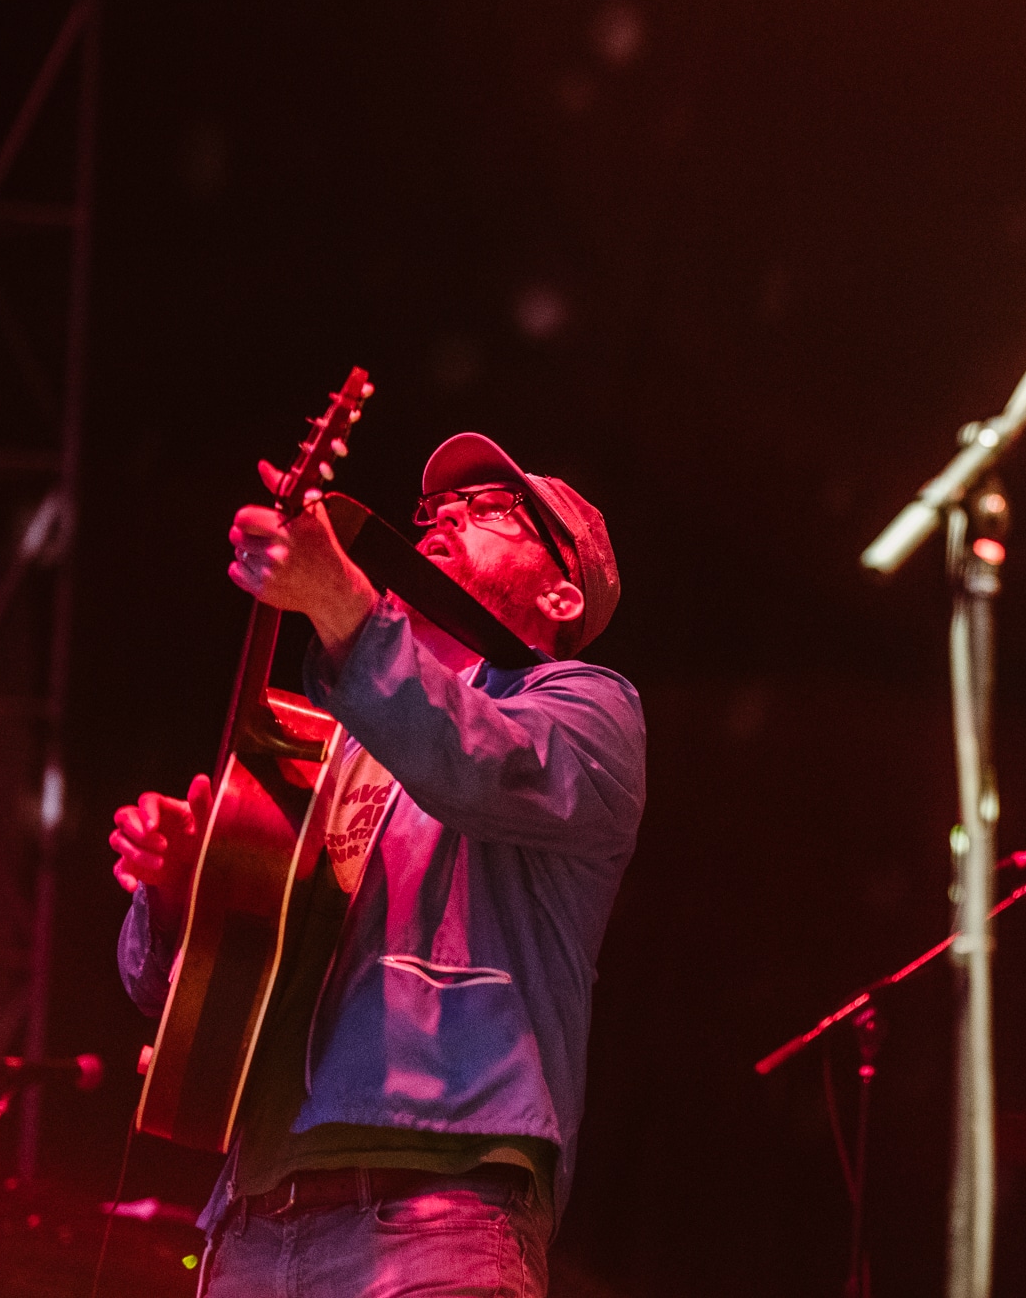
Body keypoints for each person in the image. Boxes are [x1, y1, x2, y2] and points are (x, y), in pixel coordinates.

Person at [109, 433, 644, 1297]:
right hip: (249, 1222)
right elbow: (179, 987)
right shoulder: (322, 747)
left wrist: (343, 608)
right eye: (436, 509)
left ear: (561, 591)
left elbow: (474, 760)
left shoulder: (588, 709)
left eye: (492, 509)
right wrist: (178, 893)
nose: (443, 519)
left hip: (440, 1213)